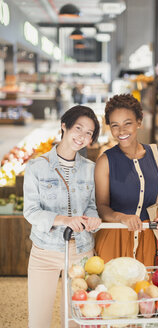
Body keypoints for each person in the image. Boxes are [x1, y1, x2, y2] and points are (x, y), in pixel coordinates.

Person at [23, 105, 101, 328]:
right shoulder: (37, 166)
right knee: (38, 319)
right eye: (79, 128)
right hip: (44, 251)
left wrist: (92, 220)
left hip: (81, 252)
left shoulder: (90, 168)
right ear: (64, 126)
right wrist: (64, 220)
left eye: (89, 133)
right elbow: (31, 211)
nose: (82, 136)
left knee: (75, 318)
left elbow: (91, 207)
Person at [94, 94, 158, 267]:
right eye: (115, 125)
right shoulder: (105, 161)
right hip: (115, 238)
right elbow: (101, 208)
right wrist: (121, 217)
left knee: (150, 290)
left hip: (150, 240)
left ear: (139, 121)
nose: (121, 131)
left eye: (127, 123)